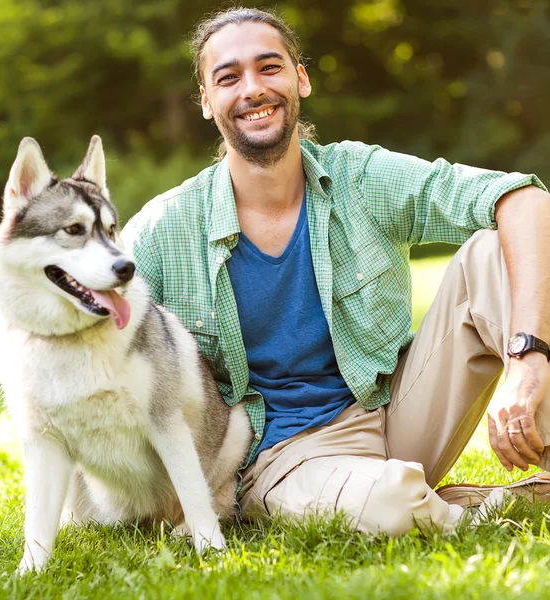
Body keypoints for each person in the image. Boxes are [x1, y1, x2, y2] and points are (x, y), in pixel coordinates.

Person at [123, 6, 550, 534]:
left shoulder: (360, 177)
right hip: (283, 457)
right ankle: (472, 510)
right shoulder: (164, 229)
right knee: (389, 506)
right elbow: (93, 338)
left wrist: (527, 361)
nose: (253, 88)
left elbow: (525, 199)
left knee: (493, 252)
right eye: (228, 77)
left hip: (393, 413)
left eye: (270, 67)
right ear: (208, 103)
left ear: (300, 79)